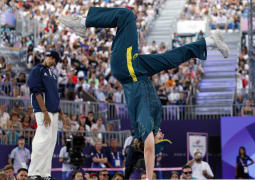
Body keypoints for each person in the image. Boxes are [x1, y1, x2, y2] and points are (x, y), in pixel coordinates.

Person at [60, 7, 229, 179]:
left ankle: (82, 22)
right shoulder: (152, 123)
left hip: (128, 70)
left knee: (127, 15)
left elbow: (148, 149)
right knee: (171, 58)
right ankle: (210, 42)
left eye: (160, 140)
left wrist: (149, 177)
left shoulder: (145, 127)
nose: (163, 136)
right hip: (139, 72)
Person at [27, 50, 67, 180]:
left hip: (54, 112)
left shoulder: (53, 75)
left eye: (55, 61)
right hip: (43, 110)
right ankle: (33, 172)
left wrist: (62, 114)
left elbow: (55, 96)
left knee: (50, 142)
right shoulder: (37, 70)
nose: (52, 61)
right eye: (51, 58)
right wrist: (44, 112)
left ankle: (45, 174)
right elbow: (36, 90)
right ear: (47, 57)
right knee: (42, 139)